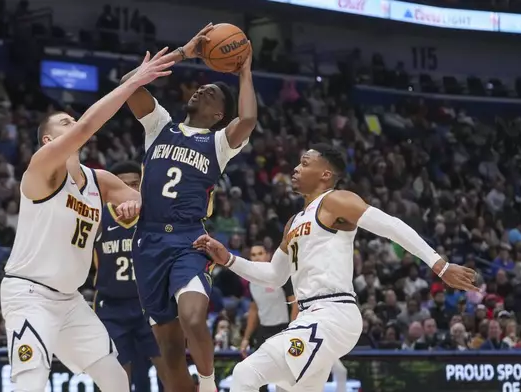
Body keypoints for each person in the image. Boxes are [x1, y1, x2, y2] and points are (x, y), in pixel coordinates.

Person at [193, 143, 479, 391]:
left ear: (325, 174)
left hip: (331, 314)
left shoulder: (335, 200)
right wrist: (228, 258)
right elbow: (274, 275)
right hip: (310, 318)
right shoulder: (292, 222)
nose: (295, 168)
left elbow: (391, 226)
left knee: (245, 373)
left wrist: (439, 265)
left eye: (304, 163)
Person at [0, 50, 174, 392]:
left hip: (69, 300)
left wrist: (134, 205)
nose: (73, 124)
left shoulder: (99, 181)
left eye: (71, 120)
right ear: (49, 140)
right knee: (30, 382)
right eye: (64, 123)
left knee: (115, 379)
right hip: (29, 294)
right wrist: (135, 82)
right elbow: (88, 125)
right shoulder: (42, 168)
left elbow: (146, 203)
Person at [120, 23, 257, 392]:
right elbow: (128, 84)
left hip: (188, 240)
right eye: (202, 87)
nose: (202, 90)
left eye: (211, 93)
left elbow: (247, 120)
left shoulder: (219, 143)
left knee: (194, 319)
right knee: (168, 354)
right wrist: (183, 51)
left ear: (218, 115)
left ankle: (210, 384)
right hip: (148, 241)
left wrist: (244, 71)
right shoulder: (160, 125)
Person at [92, 160, 168, 390]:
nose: (129, 190)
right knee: (116, 377)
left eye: (135, 184)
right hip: (112, 306)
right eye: (122, 185)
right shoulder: (97, 217)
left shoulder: (154, 217)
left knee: (170, 370)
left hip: (152, 304)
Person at [241, 244, 297, 392]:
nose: (257, 257)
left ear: (268, 255)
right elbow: (254, 311)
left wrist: (292, 331)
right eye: (253, 255)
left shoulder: (281, 275)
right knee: (259, 377)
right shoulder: (252, 282)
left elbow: (295, 305)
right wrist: (246, 338)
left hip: (284, 330)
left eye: (260, 253)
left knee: (285, 378)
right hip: (264, 332)